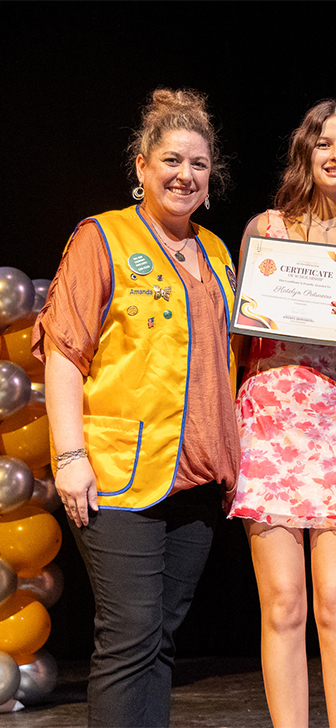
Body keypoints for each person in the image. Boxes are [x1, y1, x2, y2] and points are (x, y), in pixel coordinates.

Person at [32, 88, 239, 727]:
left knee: (158, 640)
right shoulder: (103, 237)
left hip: (200, 476)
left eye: (199, 164)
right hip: (118, 472)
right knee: (129, 636)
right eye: (171, 160)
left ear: (212, 177)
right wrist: (68, 457)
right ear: (142, 166)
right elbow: (64, 350)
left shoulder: (219, 252)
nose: (185, 175)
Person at [226, 100, 336, 728]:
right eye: (323, 143)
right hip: (270, 423)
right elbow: (237, 341)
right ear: (305, 153)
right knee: (282, 606)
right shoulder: (265, 229)